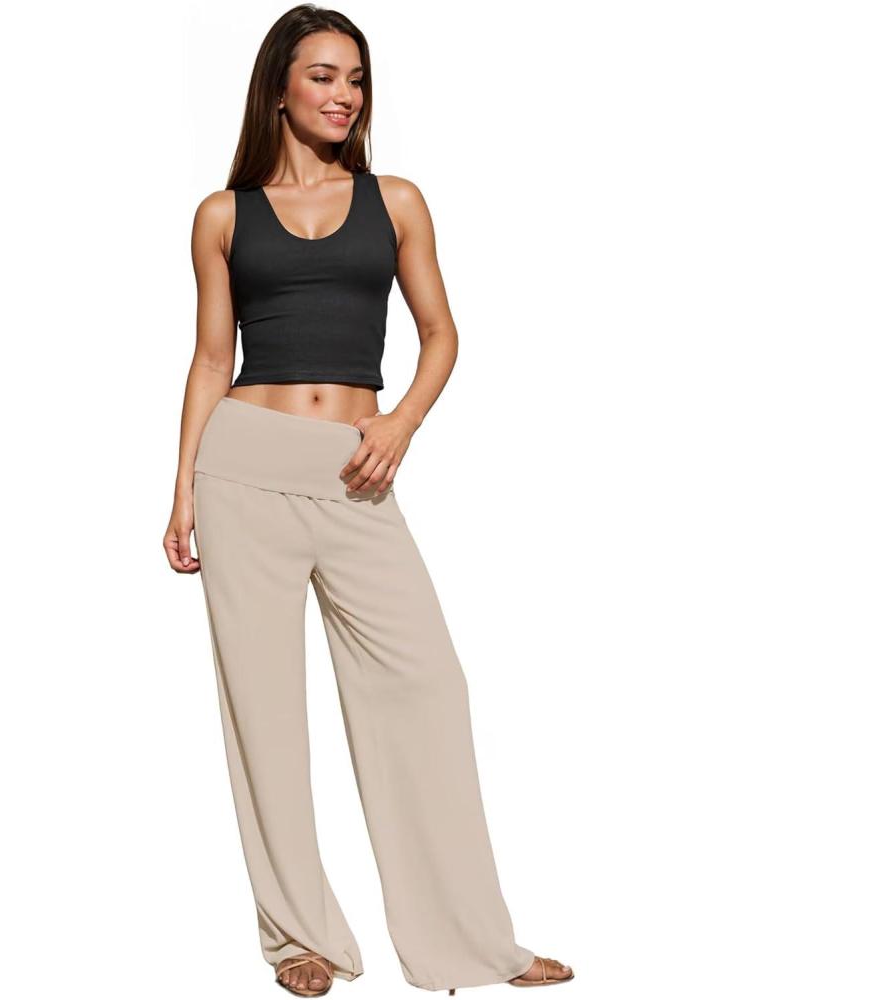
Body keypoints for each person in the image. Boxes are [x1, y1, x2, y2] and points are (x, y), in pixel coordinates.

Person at [163, 5, 574, 996]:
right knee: (264, 711)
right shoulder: (222, 215)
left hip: (355, 470)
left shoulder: (396, 201)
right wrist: (180, 492)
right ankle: (299, 939)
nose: (344, 94)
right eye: (323, 75)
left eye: (355, 78)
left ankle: (471, 944)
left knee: (427, 686)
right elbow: (212, 357)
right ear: (279, 88)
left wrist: (401, 425)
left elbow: (441, 334)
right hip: (242, 465)